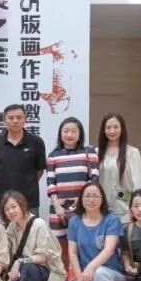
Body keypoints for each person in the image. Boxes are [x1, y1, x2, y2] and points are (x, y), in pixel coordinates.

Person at [97, 112, 141, 281]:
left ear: (122, 129)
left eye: (115, 127)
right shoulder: (97, 152)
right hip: (103, 209)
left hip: (126, 208)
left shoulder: (132, 152)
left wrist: (137, 207)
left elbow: (139, 182)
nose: (112, 131)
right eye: (108, 127)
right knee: (108, 249)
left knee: (128, 248)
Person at [3, 190, 65, 281]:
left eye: (13, 207)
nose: (11, 211)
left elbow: (42, 258)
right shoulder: (12, 226)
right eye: (7, 209)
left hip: (45, 274)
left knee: (29, 267)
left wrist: (19, 262)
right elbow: (4, 249)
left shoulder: (38, 224)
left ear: (22, 205)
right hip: (22, 273)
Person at [67, 182, 126, 281]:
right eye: (87, 196)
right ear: (81, 199)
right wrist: (79, 277)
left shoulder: (111, 220)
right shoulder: (74, 221)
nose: (91, 199)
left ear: (102, 199)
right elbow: (72, 253)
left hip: (112, 275)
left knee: (100, 272)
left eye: (95, 196)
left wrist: (90, 268)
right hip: (87, 277)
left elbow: (109, 249)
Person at [47, 116, 100, 271]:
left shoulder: (89, 151)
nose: (69, 135)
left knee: (84, 244)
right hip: (59, 209)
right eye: (65, 131)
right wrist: (57, 206)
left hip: (83, 207)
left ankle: (84, 278)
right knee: (61, 247)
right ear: (60, 133)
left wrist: (82, 199)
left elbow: (94, 178)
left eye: (73, 131)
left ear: (80, 134)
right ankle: (65, 280)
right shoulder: (53, 155)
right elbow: (51, 183)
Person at [0, 104, 47, 218]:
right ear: (4, 120)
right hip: (3, 202)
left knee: (30, 230)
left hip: (29, 202)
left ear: (25, 119)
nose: (15, 121)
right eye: (11, 118)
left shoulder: (36, 142)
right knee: (2, 230)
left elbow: (39, 171)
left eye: (19, 117)